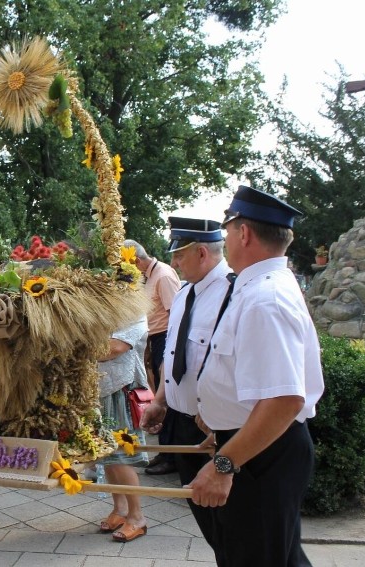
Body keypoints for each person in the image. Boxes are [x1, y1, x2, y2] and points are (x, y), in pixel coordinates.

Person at [190, 186, 324, 567]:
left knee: (256, 558)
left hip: (263, 455)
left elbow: (284, 400)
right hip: (257, 446)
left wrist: (224, 465)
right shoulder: (260, 288)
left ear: (243, 233)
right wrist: (221, 421)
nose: (225, 239)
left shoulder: (266, 298)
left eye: (227, 229)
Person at [140, 216, 230, 547]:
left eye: (179, 255)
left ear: (202, 253)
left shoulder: (232, 292)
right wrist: (161, 401)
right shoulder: (184, 293)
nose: (174, 262)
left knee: (235, 527)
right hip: (182, 420)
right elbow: (174, 357)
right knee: (210, 526)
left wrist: (217, 419)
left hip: (215, 428)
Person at [122, 239, 180, 475]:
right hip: (155, 339)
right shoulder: (148, 275)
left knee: (168, 398)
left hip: (166, 338)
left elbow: (175, 314)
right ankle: (165, 452)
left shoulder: (163, 275)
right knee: (160, 396)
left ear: (134, 260)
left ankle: (173, 456)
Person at [95, 315, 150, 543]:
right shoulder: (102, 308)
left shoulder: (135, 312)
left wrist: (73, 348)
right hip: (100, 388)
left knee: (121, 455)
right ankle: (120, 509)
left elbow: (115, 347)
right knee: (106, 454)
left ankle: (137, 517)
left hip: (122, 390)